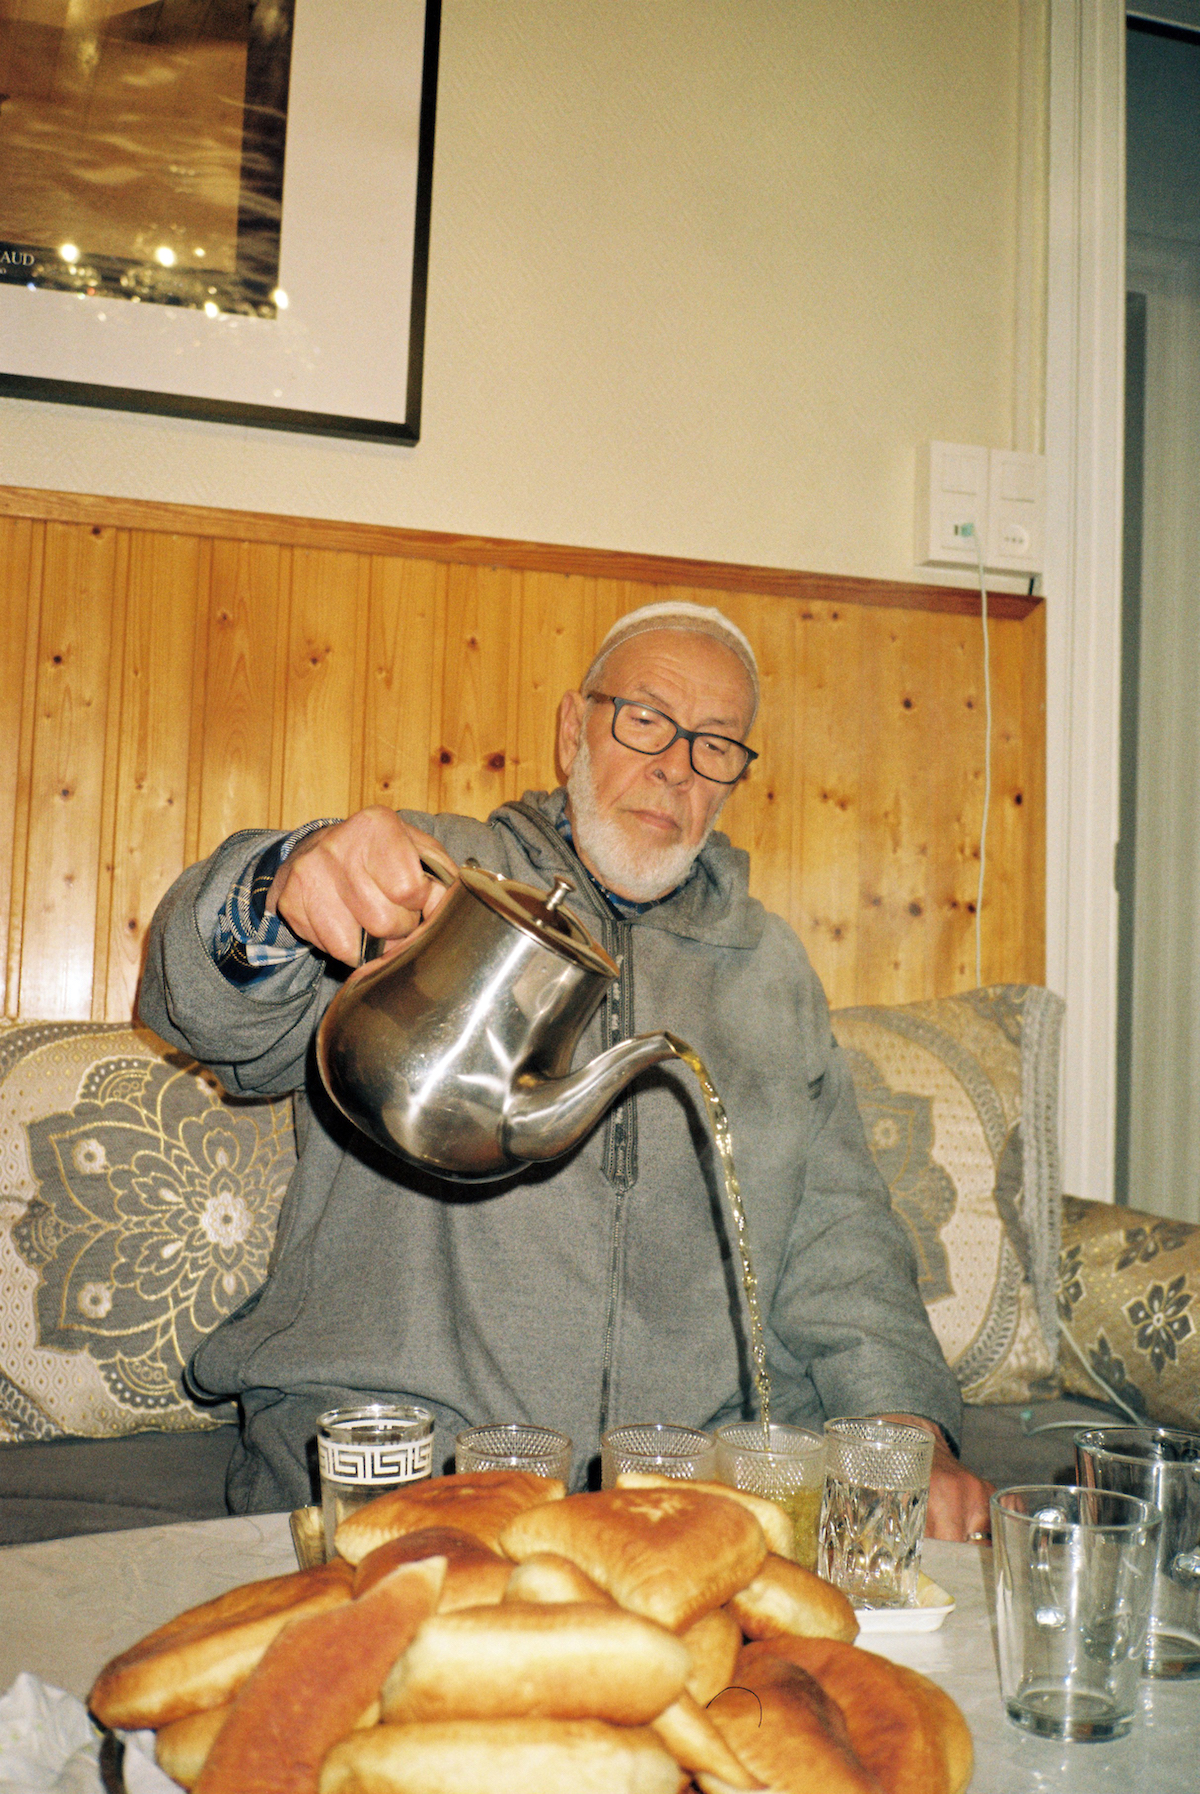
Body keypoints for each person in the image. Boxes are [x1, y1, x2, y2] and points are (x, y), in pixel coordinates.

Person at [140, 600, 993, 1538]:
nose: (676, 763)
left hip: (681, 1494)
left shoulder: (770, 967)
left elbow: (842, 1233)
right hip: (399, 1466)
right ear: (570, 728)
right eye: (645, 717)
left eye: (717, 745)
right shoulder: (435, 884)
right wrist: (282, 883)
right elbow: (201, 1012)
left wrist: (904, 1428)